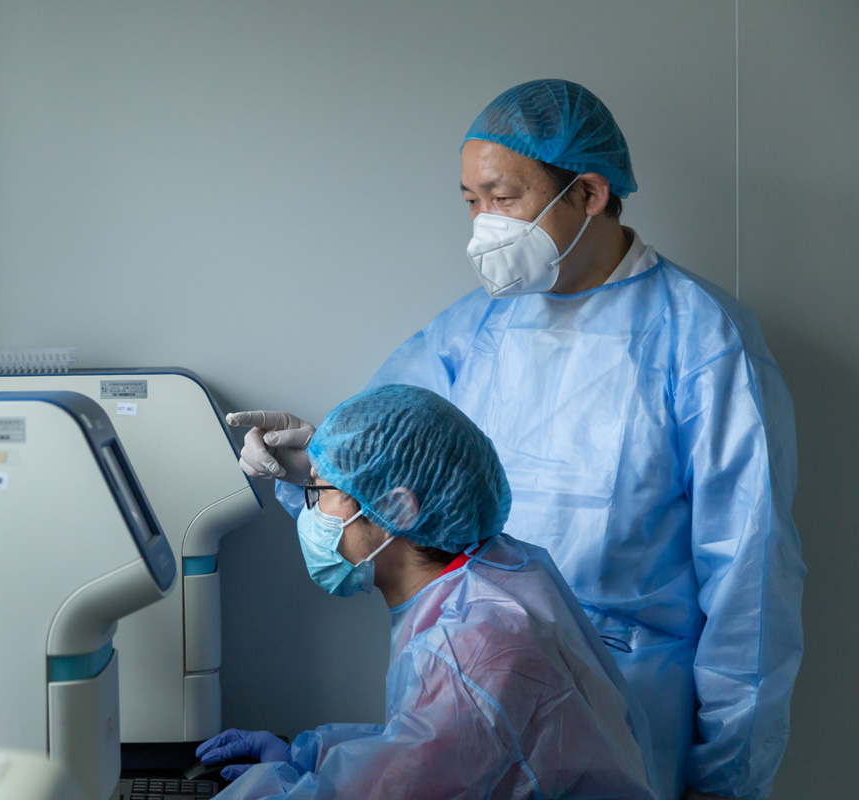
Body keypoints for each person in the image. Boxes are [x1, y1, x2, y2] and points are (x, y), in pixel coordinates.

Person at [227, 80, 804, 800]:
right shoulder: (473, 331)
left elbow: (750, 583)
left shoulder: (702, 342)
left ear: (588, 193)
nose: (483, 225)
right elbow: (386, 468)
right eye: (471, 201)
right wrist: (314, 470)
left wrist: (724, 781)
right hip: (480, 685)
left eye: (502, 197)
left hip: (636, 713)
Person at [201, 384, 658, 799]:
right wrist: (307, 758)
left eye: (320, 491)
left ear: (398, 509)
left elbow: (398, 782)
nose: (312, 510)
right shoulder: (494, 569)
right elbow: (428, 748)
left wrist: (279, 785)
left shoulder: (470, 647)